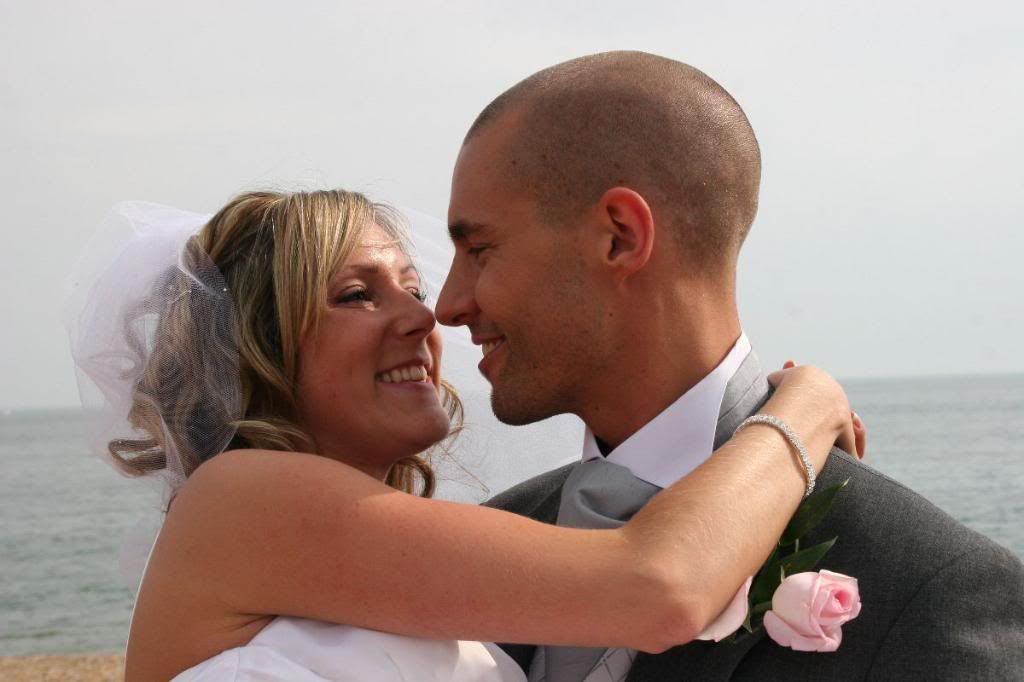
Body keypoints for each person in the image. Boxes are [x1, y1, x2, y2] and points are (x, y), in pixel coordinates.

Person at [66, 191, 859, 682]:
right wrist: (807, 406)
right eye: (358, 295)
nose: (426, 316)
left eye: (411, 287)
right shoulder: (239, 499)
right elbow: (658, 589)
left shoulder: (405, 578)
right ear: (259, 347)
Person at [435, 50, 1024, 681]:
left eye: (480, 250)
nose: (448, 306)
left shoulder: (931, 589)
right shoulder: (483, 543)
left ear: (621, 236)